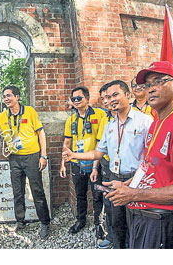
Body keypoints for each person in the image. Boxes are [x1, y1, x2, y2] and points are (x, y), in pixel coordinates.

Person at [104, 61, 173, 249]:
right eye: (147, 85)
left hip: (161, 221)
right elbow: (149, 167)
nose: (151, 89)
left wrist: (133, 193)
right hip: (142, 214)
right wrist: (127, 184)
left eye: (158, 82)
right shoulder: (156, 122)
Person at [63, 80, 152, 248]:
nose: (111, 100)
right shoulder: (110, 124)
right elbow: (98, 152)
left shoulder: (145, 121)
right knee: (117, 222)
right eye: (108, 97)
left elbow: (151, 157)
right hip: (114, 177)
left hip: (136, 180)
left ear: (127, 95)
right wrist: (74, 154)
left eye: (115, 95)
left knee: (137, 224)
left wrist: (136, 180)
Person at [0, 86, 51, 239]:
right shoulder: (3, 116)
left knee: (37, 191)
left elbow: (41, 133)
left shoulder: (30, 112)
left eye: (9, 95)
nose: (6, 99)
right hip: (14, 158)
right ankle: (20, 221)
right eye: (4, 96)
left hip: (32, 156)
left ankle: (45, 223)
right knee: (17, 192)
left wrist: (43, 156)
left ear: (17, 97)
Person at [60, 86, 107, 239]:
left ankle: (99, 224)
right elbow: (67, 142)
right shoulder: (71, 119)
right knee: (80, 194)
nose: (76, 101)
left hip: (95, 163)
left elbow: (101, 142)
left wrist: (95, 165)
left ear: (87, 98)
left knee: (97, 194)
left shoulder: (100, 114)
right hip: (76, 162)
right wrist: (63, 163)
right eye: (73, 99)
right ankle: (81, 220)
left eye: (79, 98)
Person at [95, 82, 114, 248]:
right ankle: (112, 236)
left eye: (110, 97)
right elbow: (99, 148)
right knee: (109, 202)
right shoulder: (105, 120)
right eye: (103, 99)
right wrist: (95, 166)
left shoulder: (140, 118)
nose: (107, 101)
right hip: (107, 164)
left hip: (131, 169)